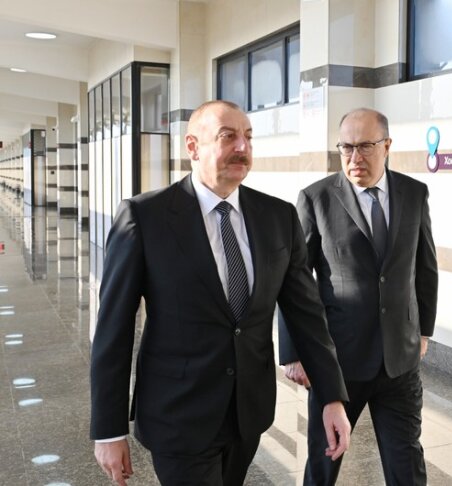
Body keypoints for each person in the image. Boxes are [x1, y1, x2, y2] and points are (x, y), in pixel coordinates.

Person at [89, 100, 351, 486]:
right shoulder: (145, 217)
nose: (242, 147)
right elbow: (113, 329)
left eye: (248, 137)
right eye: (228, 136)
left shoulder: (278, 217)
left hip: (248, 413)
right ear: (192, 147)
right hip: (177, 415)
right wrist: (108, 430)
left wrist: (331, 397)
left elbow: (306, 315)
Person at [278, 108, 438, 485]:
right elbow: (293, 280)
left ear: (387, 146)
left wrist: (424, 331)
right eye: (346, 148)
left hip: (399, 361)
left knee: (406, 462)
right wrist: (293, 353)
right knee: (324, 461)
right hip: (338, 361)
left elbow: (425, 266)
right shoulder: (316, 198)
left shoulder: (414, 193)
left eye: (365, 146)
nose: (354, 158)